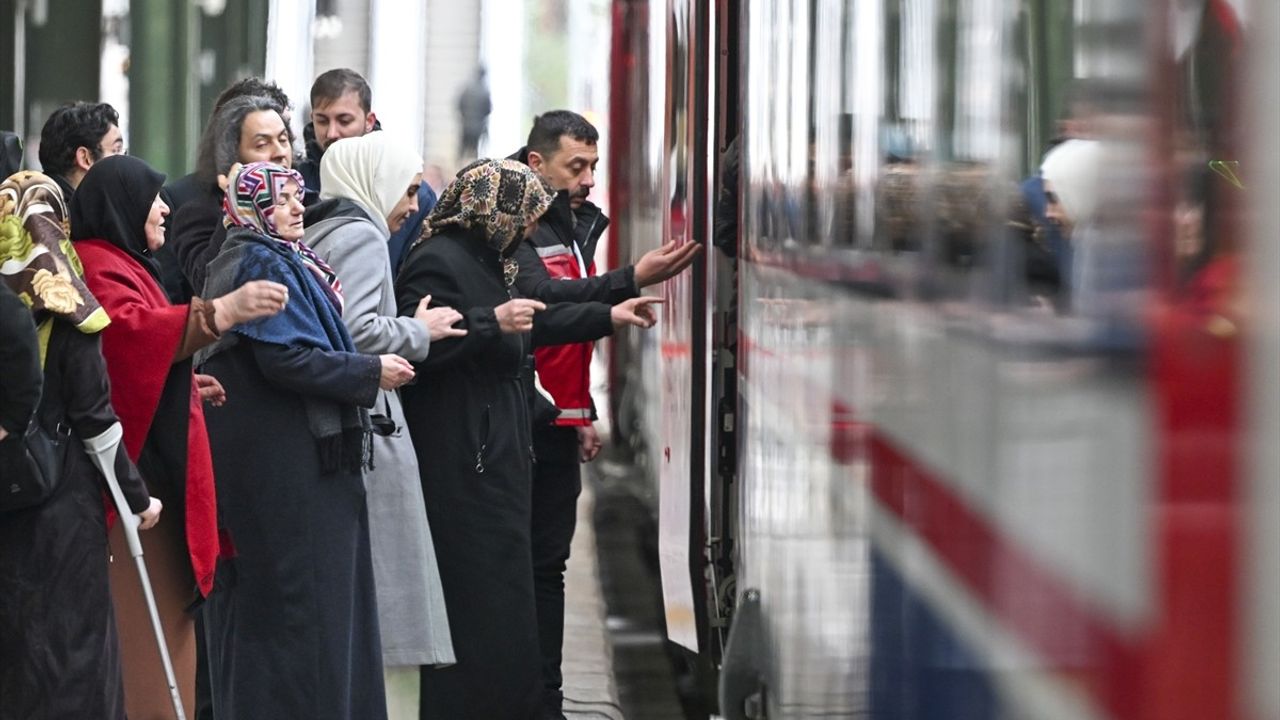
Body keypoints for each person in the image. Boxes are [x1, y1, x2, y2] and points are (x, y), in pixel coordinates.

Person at [396, 158, 659, 720]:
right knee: (482, 602)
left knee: (504, 596)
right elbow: (427, 346)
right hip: (464, 453)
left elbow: (532, 318)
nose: (524, 232)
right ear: (492, 210)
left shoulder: (490, 257)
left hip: (496, 447)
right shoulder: (435, 262)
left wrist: (608, 316)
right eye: (522, 219)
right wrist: (492, 322)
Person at [69, 154, 289, 719]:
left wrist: (186, 380)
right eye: (153, 198)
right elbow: (127, 336)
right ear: (122, 206)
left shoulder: (124, 259)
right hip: (134, 493)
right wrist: (218, 313)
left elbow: (144, 353)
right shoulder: (99, 263)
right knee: (148, 646)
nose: (164, 209)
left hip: (151, 480)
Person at [198, 162, 411, 719]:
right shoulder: (255, 258)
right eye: (283, 199)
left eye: (298, 196)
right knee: (301, 610)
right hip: (282, 468)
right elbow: (282, 358)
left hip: (296, 460)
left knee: (320, 607)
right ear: (253, 207)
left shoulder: (284, 257)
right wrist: (367, 373)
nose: (298, 208)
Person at [511, 110, 697, 719]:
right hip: (527, 426)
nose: (590, 179)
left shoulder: (566, 221)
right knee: (533, 569)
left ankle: (545, 699)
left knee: (549, 567)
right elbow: (544, 309)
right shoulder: (515, 225)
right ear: (536, 165)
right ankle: (535, 701)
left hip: (560, 422)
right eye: (577, 166)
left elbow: (563, 336)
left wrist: (582, 409)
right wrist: (625, 285)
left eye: (593, 165)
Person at [304, 132, 462, 708]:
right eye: (410, 187)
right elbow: (356, 330)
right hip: (371, 423)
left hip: (342, 420)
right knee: (389, 599)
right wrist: (422, 331)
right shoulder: (363, 233)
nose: (413, 204)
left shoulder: (323, 225)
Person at [0, 170, 161, 720]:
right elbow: (97, 421)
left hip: (8, 497)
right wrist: (137, 500)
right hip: (60, 507)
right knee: (73, 656)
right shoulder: (67, 303)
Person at [297, 68, 438, 273]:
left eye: (344, 121)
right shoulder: (295, 186)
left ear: (369, 121)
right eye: (322, 121)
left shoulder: (415, 195)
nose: (332, 132)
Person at [169, 94, 293, 299]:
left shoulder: (305, 205)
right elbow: (205, 283)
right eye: (262, 145)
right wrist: (236, 207)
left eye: (283, 140)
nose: (280, 152)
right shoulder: (200, 214)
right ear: (233, 156)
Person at [36, 102, 124, 202]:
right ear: (85, 158)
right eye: (116, 150)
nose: (125, 161)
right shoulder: (70, 214)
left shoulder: (35, 202)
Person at [456, 66, 492, 161]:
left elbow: (459, 105)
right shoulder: (484, 92)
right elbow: (488, 109)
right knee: (474, 152)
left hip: (466, 125)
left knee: (463, 152)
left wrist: (465, 117)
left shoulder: (467, 89)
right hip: (477, 127)